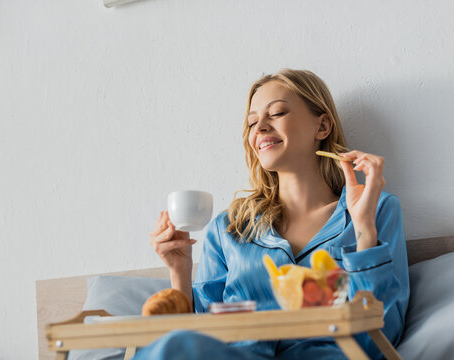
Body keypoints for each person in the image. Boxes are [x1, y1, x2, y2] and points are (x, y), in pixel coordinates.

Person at [137, 69, 409, 359]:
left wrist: (364, 230)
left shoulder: (377, 209)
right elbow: (201, 338)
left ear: (323, 127)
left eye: (276, 113)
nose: (260, 128)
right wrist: (180, 270)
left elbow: (385, 336)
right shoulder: (229, 229)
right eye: (252, 122)